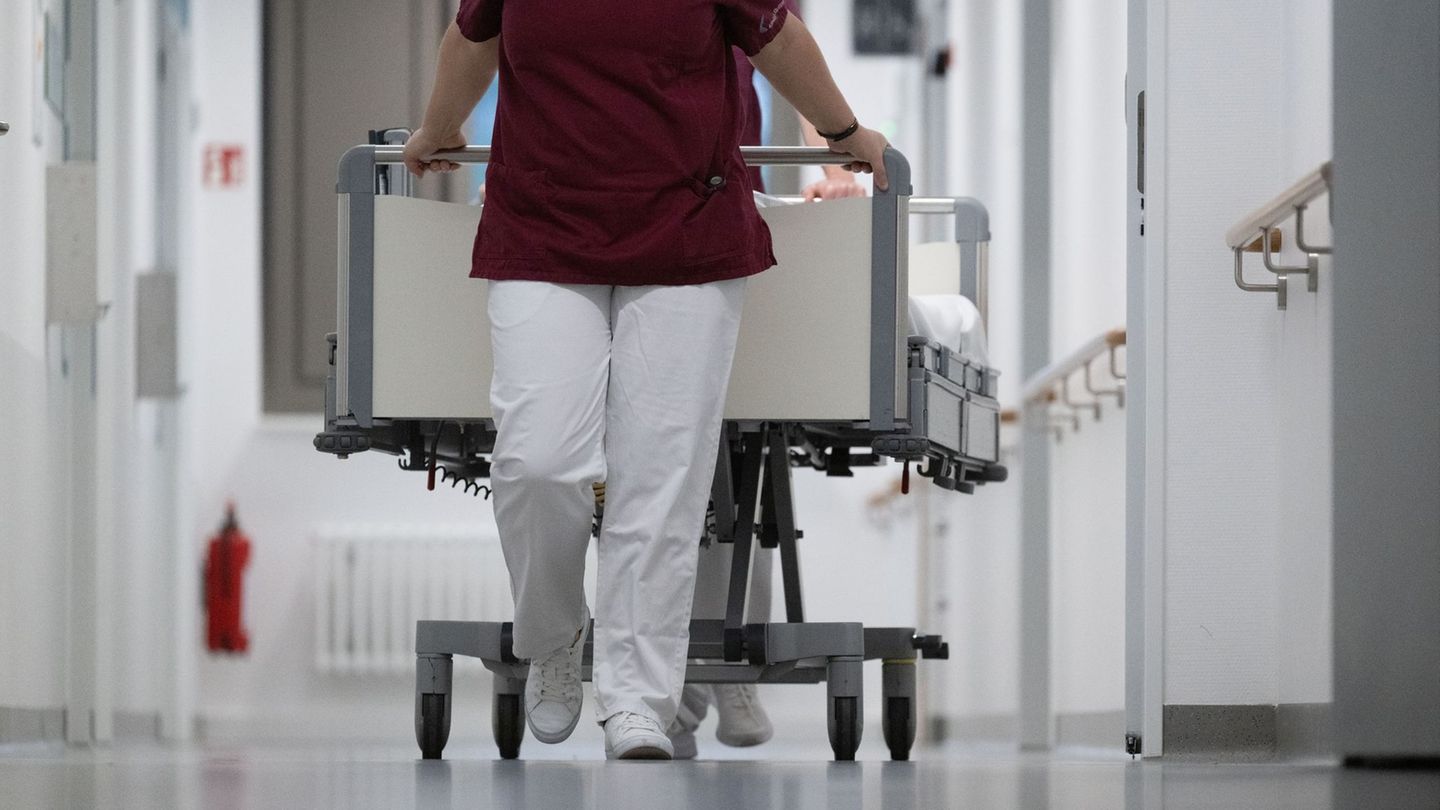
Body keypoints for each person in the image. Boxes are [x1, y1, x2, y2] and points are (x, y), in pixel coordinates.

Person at [405, 0, 889, 760]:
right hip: (542, 224)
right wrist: (439, 126)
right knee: (538, 462)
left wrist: (843, 135)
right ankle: (554, 638)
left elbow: (775, 37)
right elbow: (474, 35)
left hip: (688, 226)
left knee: (658, 477)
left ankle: (637, 698)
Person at [669, 7, 868, 760]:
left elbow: (791, 60)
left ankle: (714, 675)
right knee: (658, 477)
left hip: (719, 218)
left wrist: (838, 169)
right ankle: (683, 682)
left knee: (737, 466)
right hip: (629, 229)